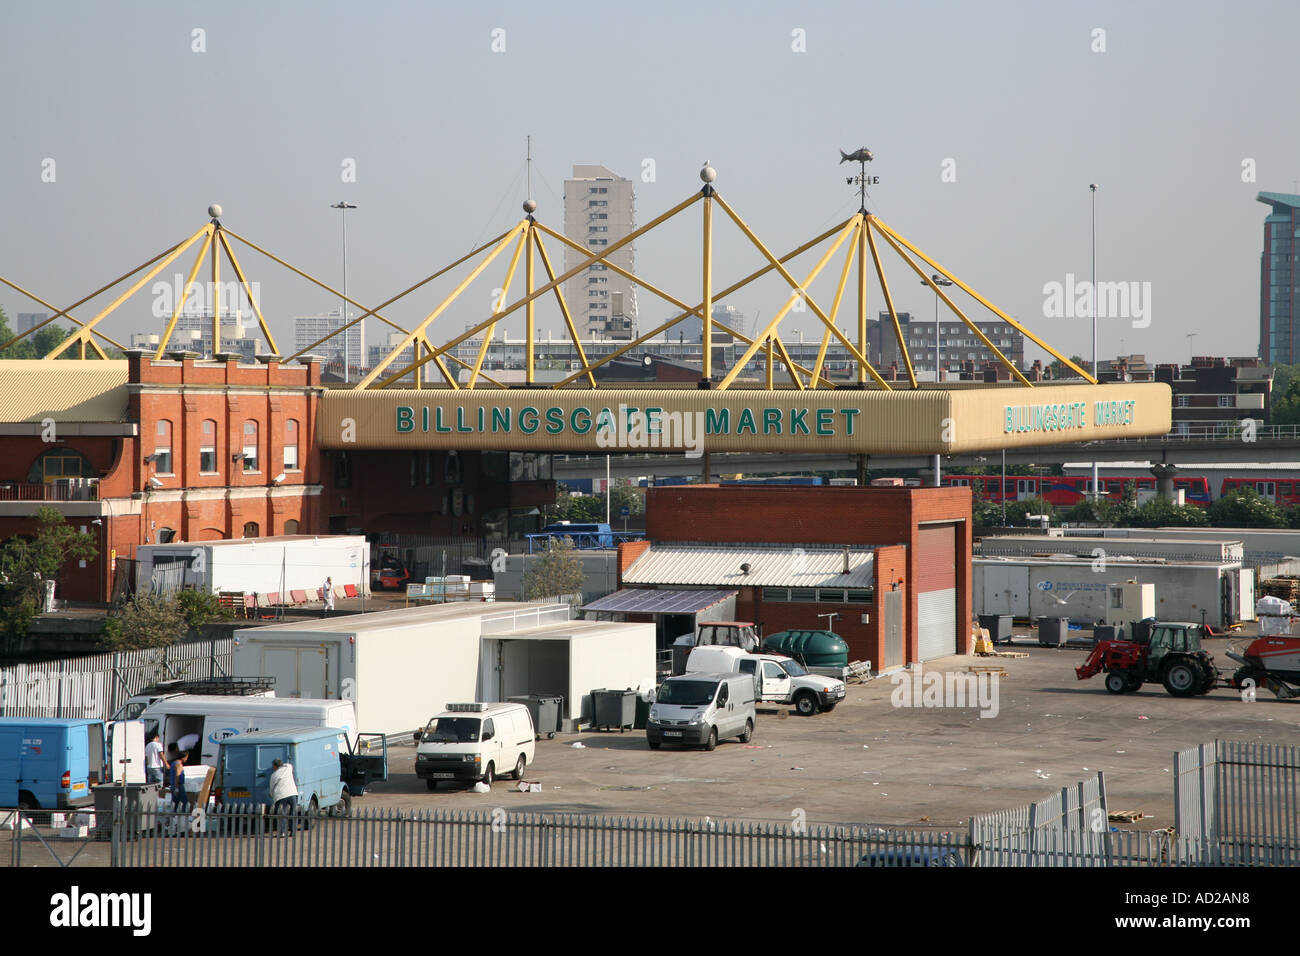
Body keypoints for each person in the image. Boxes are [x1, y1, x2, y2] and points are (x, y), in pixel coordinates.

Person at [268, 758, 298, 838]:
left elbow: (271, 787)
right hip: (292, 793)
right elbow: (289, 764)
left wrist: (271, 795)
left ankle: (283, 832)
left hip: (280, 795)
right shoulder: (288, 768)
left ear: (275, 766)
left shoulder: (274, 775)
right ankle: (293, 831)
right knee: (293, 813)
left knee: (282, 814)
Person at [167, 744, 189, 816]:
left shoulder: (173, 763)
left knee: (175, 802)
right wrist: (177, 788)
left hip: (173, 785)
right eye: (186, 757)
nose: (186, 759)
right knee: (184, 802)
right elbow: (177, 776)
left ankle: (173, 815)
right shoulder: (178, 764)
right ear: (182, 757)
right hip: (178, 785)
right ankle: (183, 815)